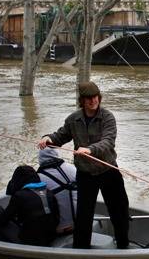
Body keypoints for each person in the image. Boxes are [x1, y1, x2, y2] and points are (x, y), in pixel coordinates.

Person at [37, 81, 130, 249]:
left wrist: (89, 150)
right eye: (88, 98)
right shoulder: (73, 119)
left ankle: (123, 246)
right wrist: (48, 139)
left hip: (108, 171)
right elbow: (60, 136)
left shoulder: (107, 117)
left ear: (99, 98)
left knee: (119, 211)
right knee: (83, 216)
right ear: (82, 101)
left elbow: (108, 142)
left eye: (95, 97)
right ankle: (81, 250)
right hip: (85, 175)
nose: (93, 101)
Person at [0, 165, 59, 246]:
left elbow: (1, 221)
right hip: (50, 239)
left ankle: (4, 249)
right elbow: (56, 219)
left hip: (29, 242)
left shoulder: (19, 196)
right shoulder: (49, 193)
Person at [37, 147, 77, 234]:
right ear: (56, 154)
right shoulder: (72, 168)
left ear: (40, 158)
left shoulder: (38, 178)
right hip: (81, 222)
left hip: (60, 228)